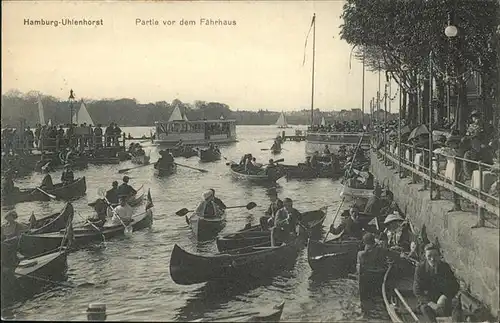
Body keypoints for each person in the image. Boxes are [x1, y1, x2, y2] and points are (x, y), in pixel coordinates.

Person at [413, 243, 460, 323]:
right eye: (429, 256)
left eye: (435, 255)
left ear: (439, 255)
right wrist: (431, 304)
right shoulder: (420, 269)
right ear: (425, 256)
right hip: (427, 301)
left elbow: (455, 286)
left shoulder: (445, 267)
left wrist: (445, 296)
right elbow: (417, 291)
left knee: (457, 307)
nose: (432, 259)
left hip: (442, 300)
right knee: (425, 309)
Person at [357, 233, 391, 309]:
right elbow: (389, 254)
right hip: (379, 275)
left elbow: (359, 267)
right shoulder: (381, 250)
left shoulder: (361, 254)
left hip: (366, 276)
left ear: (365, 243)